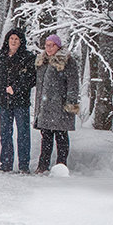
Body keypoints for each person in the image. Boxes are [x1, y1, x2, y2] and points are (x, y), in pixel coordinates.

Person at [0, 28, 36, 173]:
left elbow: (31, 78)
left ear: (21, 42)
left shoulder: (27, 57)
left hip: (21, 101)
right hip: (4, 102)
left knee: (23, 133)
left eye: (17, 39)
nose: (13, 41)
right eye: (11, 38)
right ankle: (5, 164)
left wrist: (16, 88)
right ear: (7, 40)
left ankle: (24, 166)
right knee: (5, 133)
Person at [32, 34, 80, 173]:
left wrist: (71, 103)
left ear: (58, 46)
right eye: (47, 45)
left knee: (61, 137)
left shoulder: (68, 61)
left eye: (51, 45)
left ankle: (61, 166)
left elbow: (73, 84)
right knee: (46, 137)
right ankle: (43, 166)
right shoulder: (42, 61)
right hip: (45, 107)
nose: (48, 48)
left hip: (60, 106)